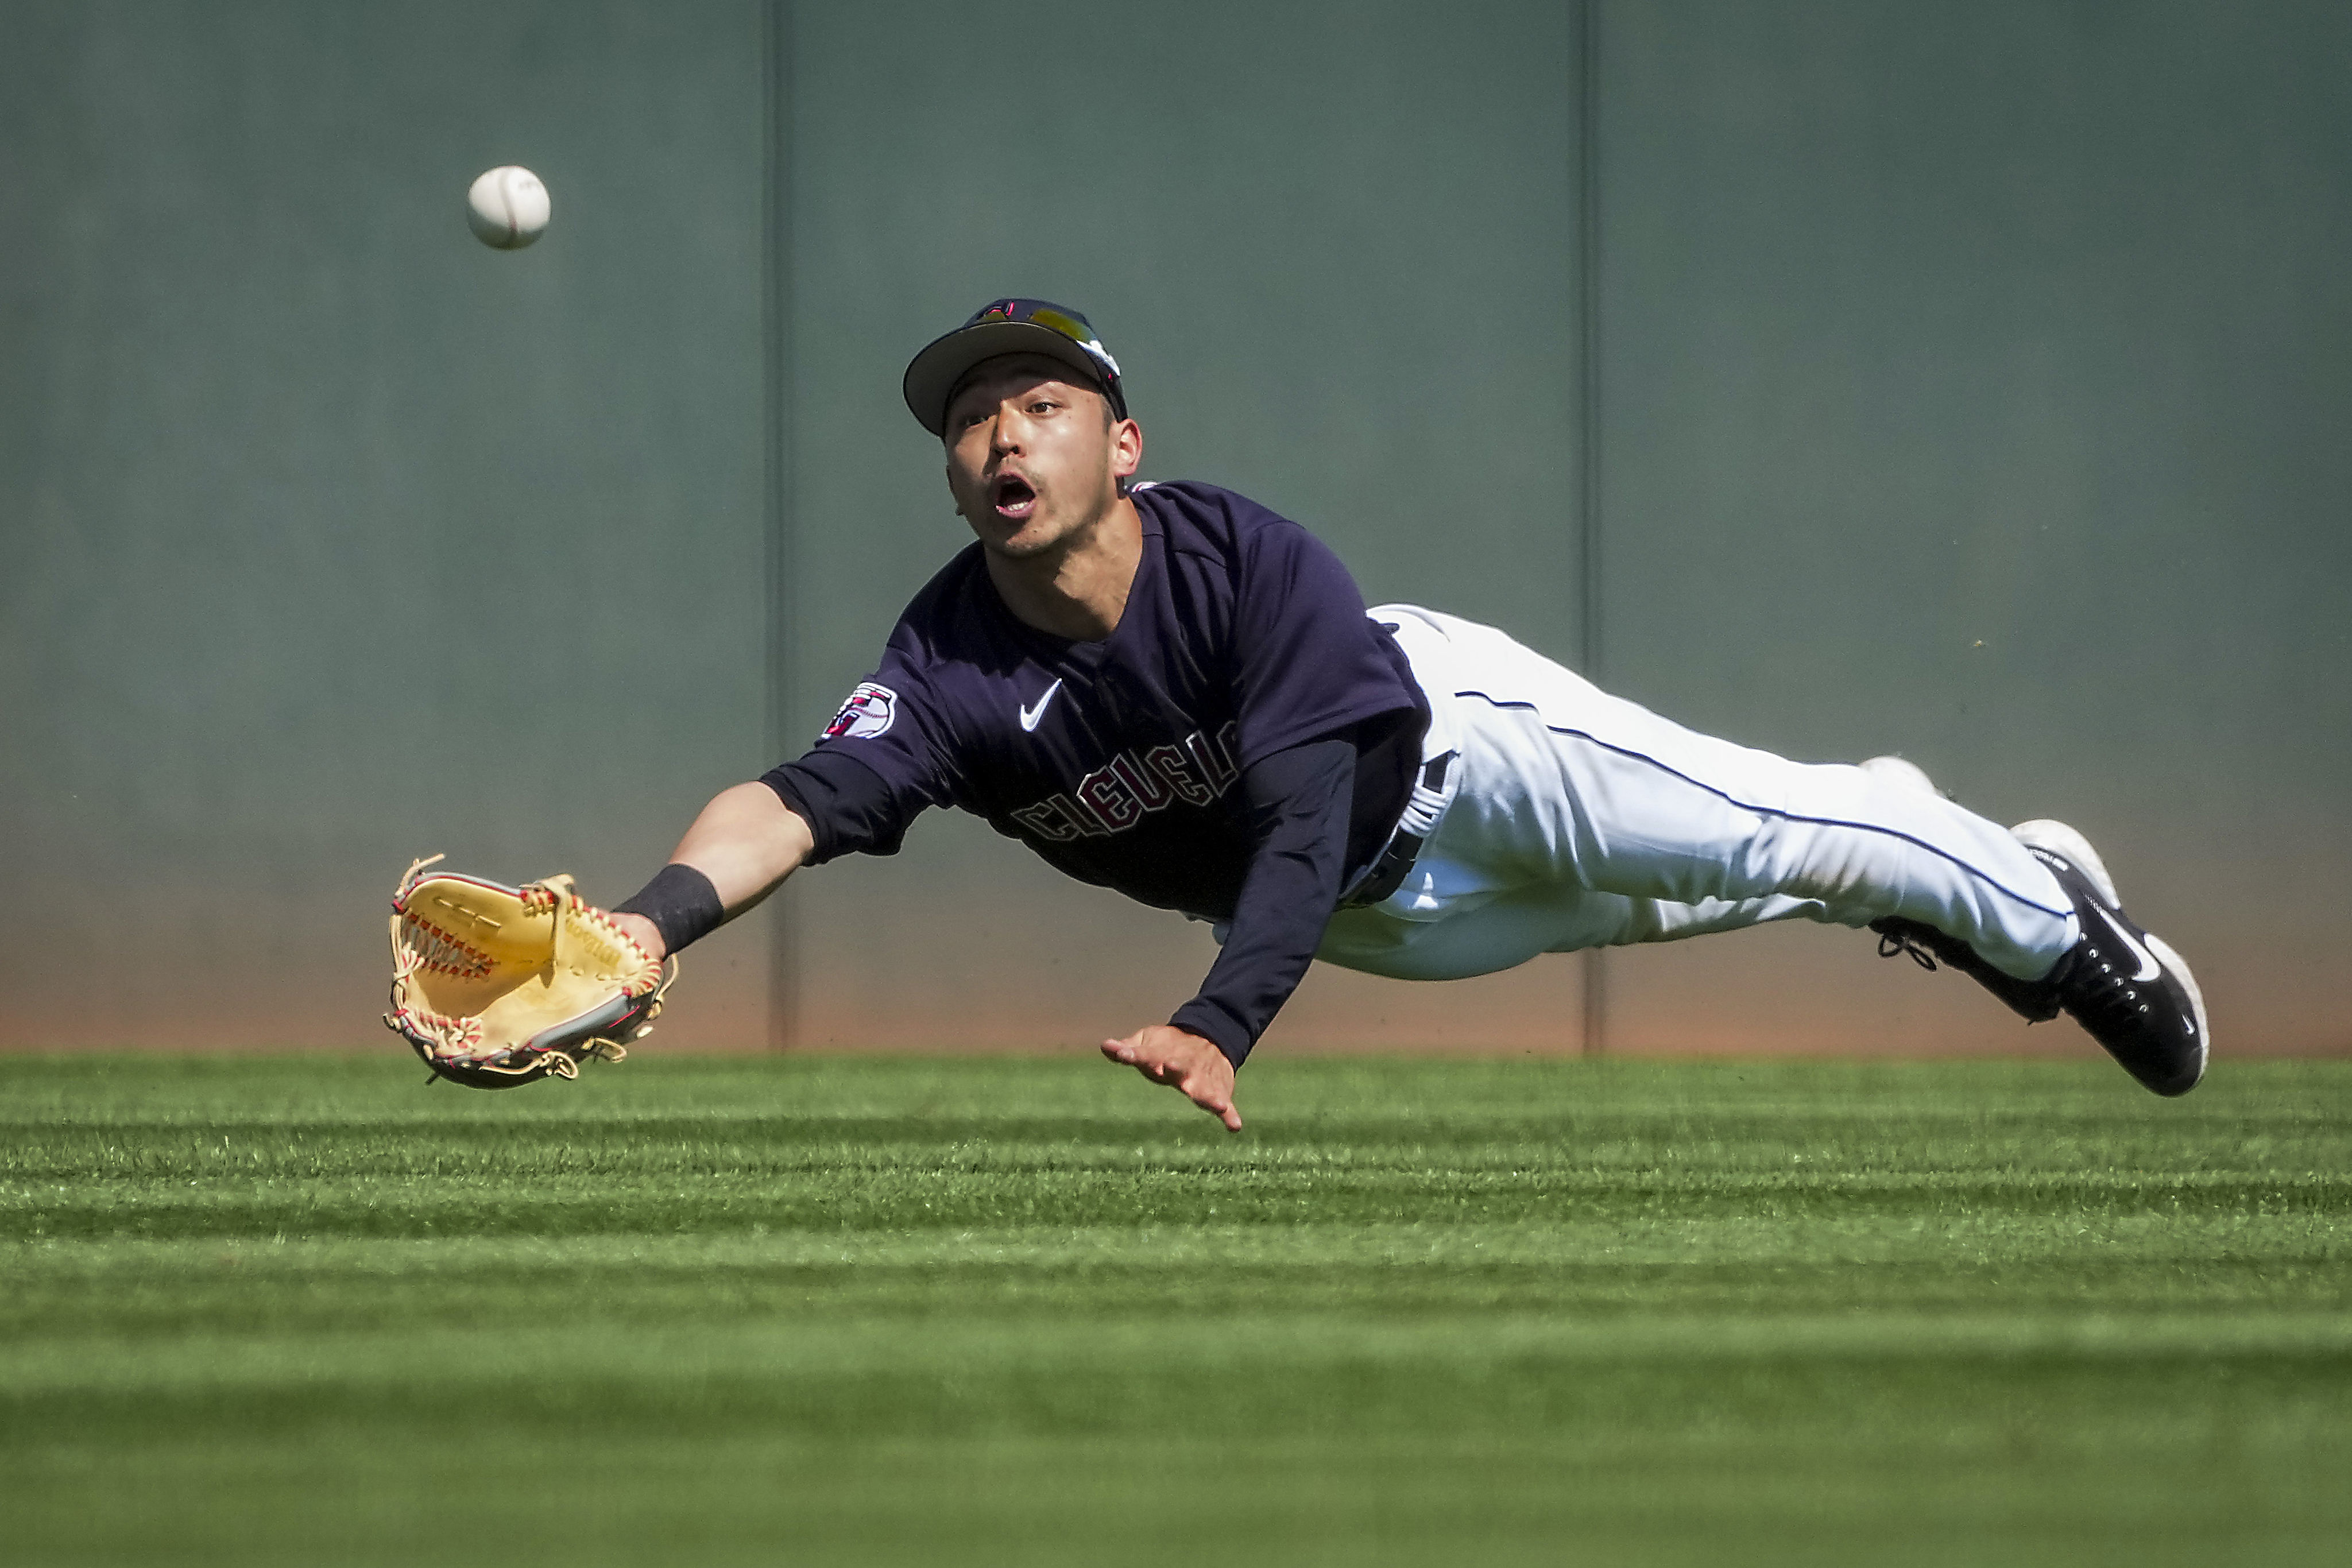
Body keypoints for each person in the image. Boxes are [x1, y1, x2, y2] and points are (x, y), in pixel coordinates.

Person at [605, 299, 2208, 1129]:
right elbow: (798, 800)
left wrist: (1222, 1018)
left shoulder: (1240, 563)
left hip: (1476, 751)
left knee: (1779, 833)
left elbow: (1302, 808)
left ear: (1121, 441)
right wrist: (646, 928)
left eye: (1041, 402)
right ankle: (1950, 843)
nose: (1001, 434)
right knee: (1759, 881)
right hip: (1378, 913)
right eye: (972, 416)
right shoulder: (949, 660)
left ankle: (2071, 937)